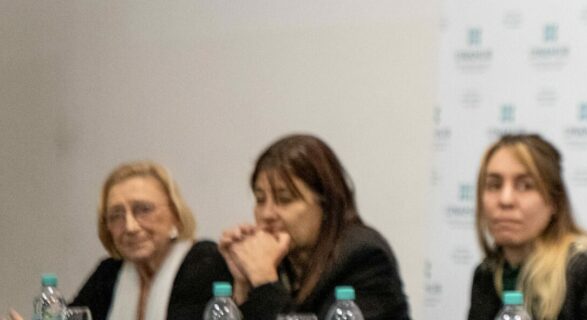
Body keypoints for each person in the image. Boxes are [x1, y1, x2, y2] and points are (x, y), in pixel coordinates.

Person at [218, 134, 410, 320]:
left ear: (326, 204)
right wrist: (243, 285)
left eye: (285, 199)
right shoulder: (279, 260)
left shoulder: (363, 257)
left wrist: (264, 279)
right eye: (260, 199)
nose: (267, 214)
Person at [7, 161, 231, 320]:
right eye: (116, 215)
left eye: (143, 210)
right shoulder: (109, 273)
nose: (130, 227)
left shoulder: (204, 262)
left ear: (175, 214)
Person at [466, 133, 587, 320]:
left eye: (525, 186)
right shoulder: (486, 274)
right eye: (494, 185)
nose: (505, 200)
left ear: (554, 201)